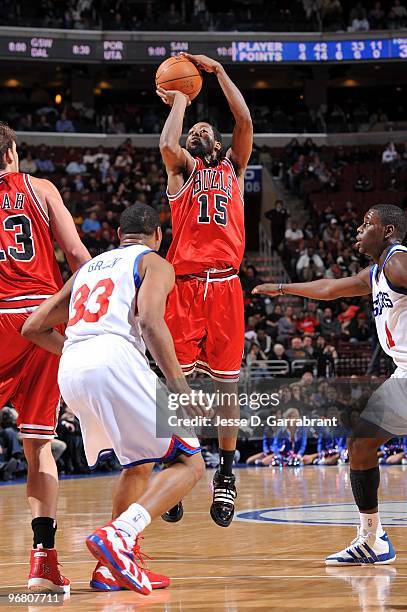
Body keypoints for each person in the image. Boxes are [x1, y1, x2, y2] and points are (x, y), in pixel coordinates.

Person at [22, 204, 206, 594]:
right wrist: (180, 388)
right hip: (114, 359)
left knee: (137, 464)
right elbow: (149, 322)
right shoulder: (154, 262)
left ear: (119, 233)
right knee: (190, 461)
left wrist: (78, 351)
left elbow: (34, 327)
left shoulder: (88, 267)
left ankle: (110, 568)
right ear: (157, 235)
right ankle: (120, 535)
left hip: (72, 365)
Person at [253, 203, 407, 565]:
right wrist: (282, 287)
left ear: (387, 231)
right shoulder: (379, 271)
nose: (359, 229)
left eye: (367, 224)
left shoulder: (398, 262)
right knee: (361, 445)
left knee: (361, 445)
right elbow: (331, 289)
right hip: (402, 373)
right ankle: (372, 539)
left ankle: (373, 538)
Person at [156, 52, 253, 527]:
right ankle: (179, 464)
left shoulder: (234, 168)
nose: (199, 134)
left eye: (204, 132)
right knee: (177, 385)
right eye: (195, 133)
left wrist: (217, 73)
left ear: (217, 144)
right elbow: (168, 143)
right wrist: (179, 101)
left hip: (226, 288)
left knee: (226, 386)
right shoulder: (181, 174)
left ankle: (227, 474)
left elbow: (244, 118)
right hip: (186, 288)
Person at [0, 122, 90, 592]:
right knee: (37, 446)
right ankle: (42, 565)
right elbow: (76, 254)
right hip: (39, 318)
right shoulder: (40, 189)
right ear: (12, 152)